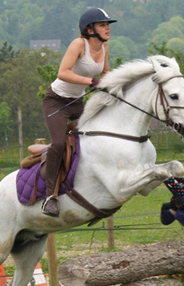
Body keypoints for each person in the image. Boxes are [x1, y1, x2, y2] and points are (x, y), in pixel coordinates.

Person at [41, 8, 117, 217]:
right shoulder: (78, 44)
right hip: (56, 102)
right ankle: (50, 197)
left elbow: (105, 73)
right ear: (89, 29)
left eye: (108, 24)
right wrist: (91, 82)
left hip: (78, 103)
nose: (107, 28)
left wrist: (114, 86)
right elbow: (62, 73)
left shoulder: (104, 46)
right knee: (58, 144)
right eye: (103, 25)